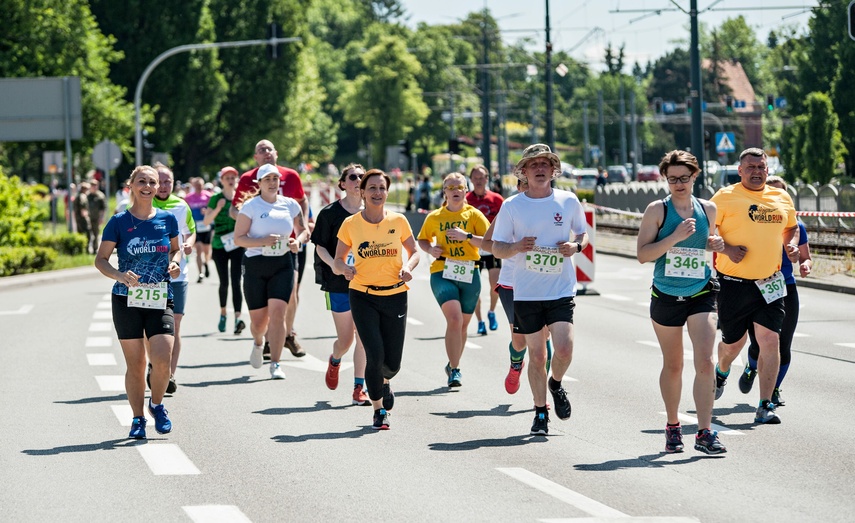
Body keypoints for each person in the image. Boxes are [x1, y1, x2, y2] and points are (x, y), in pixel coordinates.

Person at [491, 144, 589, 436]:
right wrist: (516, 247)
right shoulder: (512, 206)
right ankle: (540, 412)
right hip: (527, 292)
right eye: (533, 165)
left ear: (553, 170)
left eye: (545, 164)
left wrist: (576, 246)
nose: (540, 169)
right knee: (537, 356)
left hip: (560, 289)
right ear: (524, 171)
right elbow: (496, 247)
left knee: (564, 349)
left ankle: (555, 384)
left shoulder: (568, 200)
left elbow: (582, 233)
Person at [636, 150, 727, 454]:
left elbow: (706, 244)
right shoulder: (657, 210)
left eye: (684, 178)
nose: (678, 184)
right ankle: (673, 425)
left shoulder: (707, 209)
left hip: (701, 291)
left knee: (706, 362)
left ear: (694, 176)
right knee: (674, 365)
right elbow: (643, 254)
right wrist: (673, 237)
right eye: (672, 179)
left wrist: (715, 244)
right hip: (666, 293)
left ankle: (704, 432)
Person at [710, 148, 798, 425]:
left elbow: (791, 226)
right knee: (733, 345)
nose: (756, 172)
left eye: (761, 167)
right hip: (733, 284)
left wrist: (791, 245)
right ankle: (721, 371)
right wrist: (727, 249)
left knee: (770, 340)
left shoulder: (781, 197)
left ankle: (765, 405)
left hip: (770, 282)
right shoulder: (724, 197)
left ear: (768, 170)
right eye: (750, 167)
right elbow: (705, 231)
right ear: (740, 170)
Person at [94, 165, 181, 439]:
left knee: (163, 358)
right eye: (141, 181)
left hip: (160, 297)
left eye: (152, 182)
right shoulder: (118, 222)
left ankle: (157, 404)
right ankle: (138, 418)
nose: (147, 186)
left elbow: (176, 251)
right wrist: (119, 275)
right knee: (136, 365)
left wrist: (175, 263)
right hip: (126, 299)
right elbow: (101, 260)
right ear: (130, 185)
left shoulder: (168, 219)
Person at [333, 169, 420, 430]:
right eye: (371, 188)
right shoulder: (351, 224)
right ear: (362, 192)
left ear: (387, 192)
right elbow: (338, 260)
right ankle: (378, 410)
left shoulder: (398, 220)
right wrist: (344, 269)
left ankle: (385, 380)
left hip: (395, 295)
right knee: (374, 353)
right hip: (363, 295)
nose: (377, 193)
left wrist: (408, 267)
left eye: (382, 188)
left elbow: (414, 251)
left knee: (392, 363)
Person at [231, 139, 311, 359]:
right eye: (268, 179)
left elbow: (302, 217)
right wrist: (252, 224)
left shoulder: (290, 188)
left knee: (286, 300)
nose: (273, 182)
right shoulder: (249, 193)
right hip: (256, 260)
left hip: (285, 257)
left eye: (275, 179)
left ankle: (284, 343)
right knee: (259, 321)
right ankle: (261, 340)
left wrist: (299, 240)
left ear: (276, 153)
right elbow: (236, 222)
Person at [737, 175, 812, 408]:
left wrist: (805, 265)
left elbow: (806, 257)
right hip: (756, 285)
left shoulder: (796, 226)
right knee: (759, 344)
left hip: (785, 285)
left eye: (781, 193)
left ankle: (774, 390)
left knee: (783, 343)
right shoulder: (751, 222)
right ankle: (751, 367)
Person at [417, 172, 489, 388]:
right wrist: (430, 249)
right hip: (442, 271)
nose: (455, 191)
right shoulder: (435, 217)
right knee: (455, 320)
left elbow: (490, 242)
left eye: (459, 187)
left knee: (463, 326)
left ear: (466, 190)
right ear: (444, 192)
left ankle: (451, 364)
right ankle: (456, 370)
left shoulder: (474, 215)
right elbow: (422, 239)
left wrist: (467, 237)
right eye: (451, 187)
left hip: (469, 272)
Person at [482, 178, 553, 395]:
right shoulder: (509, 208)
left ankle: (541, 395)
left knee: (544, 336)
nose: (529, 188)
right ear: (519, 187)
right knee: (520, 341)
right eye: (524, 184)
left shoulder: (553, 206)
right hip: (512, 283)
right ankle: (516, 364)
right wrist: (514, 247)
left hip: (543, 281)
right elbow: (487, 244)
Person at [311, 163, 370, 405]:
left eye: (362, 176)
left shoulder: (373, 212)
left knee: (364, 336)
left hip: (367, 282)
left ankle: (359, 388)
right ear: (343, 184)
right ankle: (335, 359)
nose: (358, 180)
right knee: (346, 340)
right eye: (353, 177)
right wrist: (336, 265)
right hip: (338, 282)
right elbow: (320, 246)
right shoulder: (330, 213)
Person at [151, 163, 196, 394]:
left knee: (175, 323)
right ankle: (155, 365)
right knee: (150, 326)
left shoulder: (181, 205)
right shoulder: (142, 204)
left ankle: (168, 374)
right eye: (159, 181)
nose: (163, 186)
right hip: (149, 277)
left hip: (177, 273)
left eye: (167, 181)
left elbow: (190, 230)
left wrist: (188, 244)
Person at [204, 166, 246, 335]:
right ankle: (223, 314)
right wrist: (218, 208)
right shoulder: (215, 198)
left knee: (236, 281)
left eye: (233, 177)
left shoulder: (241, 197)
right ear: (221, 180)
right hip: (219, 245)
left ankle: (237, 319)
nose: (230, 180)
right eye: (227, 178)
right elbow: (206, 221)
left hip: (237, 244)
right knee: (224, 282)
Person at [466, 164, 505, 336]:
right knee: (474, 288)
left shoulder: (497, 199)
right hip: (472, 247)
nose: (479, 181)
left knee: (495, 284)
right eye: (475, 178)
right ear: (471, 180)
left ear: (487, 179)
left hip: (492, 246)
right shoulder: (466, 199)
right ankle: (480, 321)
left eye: (481, 178)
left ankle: (491, 312)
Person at [185, 177, 214, 283]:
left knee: (206, 250)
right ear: (193, 186)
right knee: (198, 250)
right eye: (196, 185)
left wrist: (207, 212)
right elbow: (185, 211)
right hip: (195, 226)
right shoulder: (188, 197)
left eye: (200, 185)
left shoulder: (208, 196)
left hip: (206, 225)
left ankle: (206, 263)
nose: (198, 187)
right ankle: (200, 273)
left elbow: (213, 210)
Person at [87, 180, 107, 254]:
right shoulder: (87, 195)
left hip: (96, 218)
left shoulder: (100, 196)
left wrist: (101, 218)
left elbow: (103, 208)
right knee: (87, 233)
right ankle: (86, 248)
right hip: (88, 218)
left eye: (95, 185)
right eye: (92, 186)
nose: (94, 187)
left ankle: (94, 249)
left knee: (95, 234)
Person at [73, 181, 92, 250]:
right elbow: (83, 207)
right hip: (83, 218)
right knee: (87, 233)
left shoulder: (78, 195)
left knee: (80, 233)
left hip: (78, 218)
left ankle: (80, 249)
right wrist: (86, 217)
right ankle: (86, 249)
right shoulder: (82, 196)